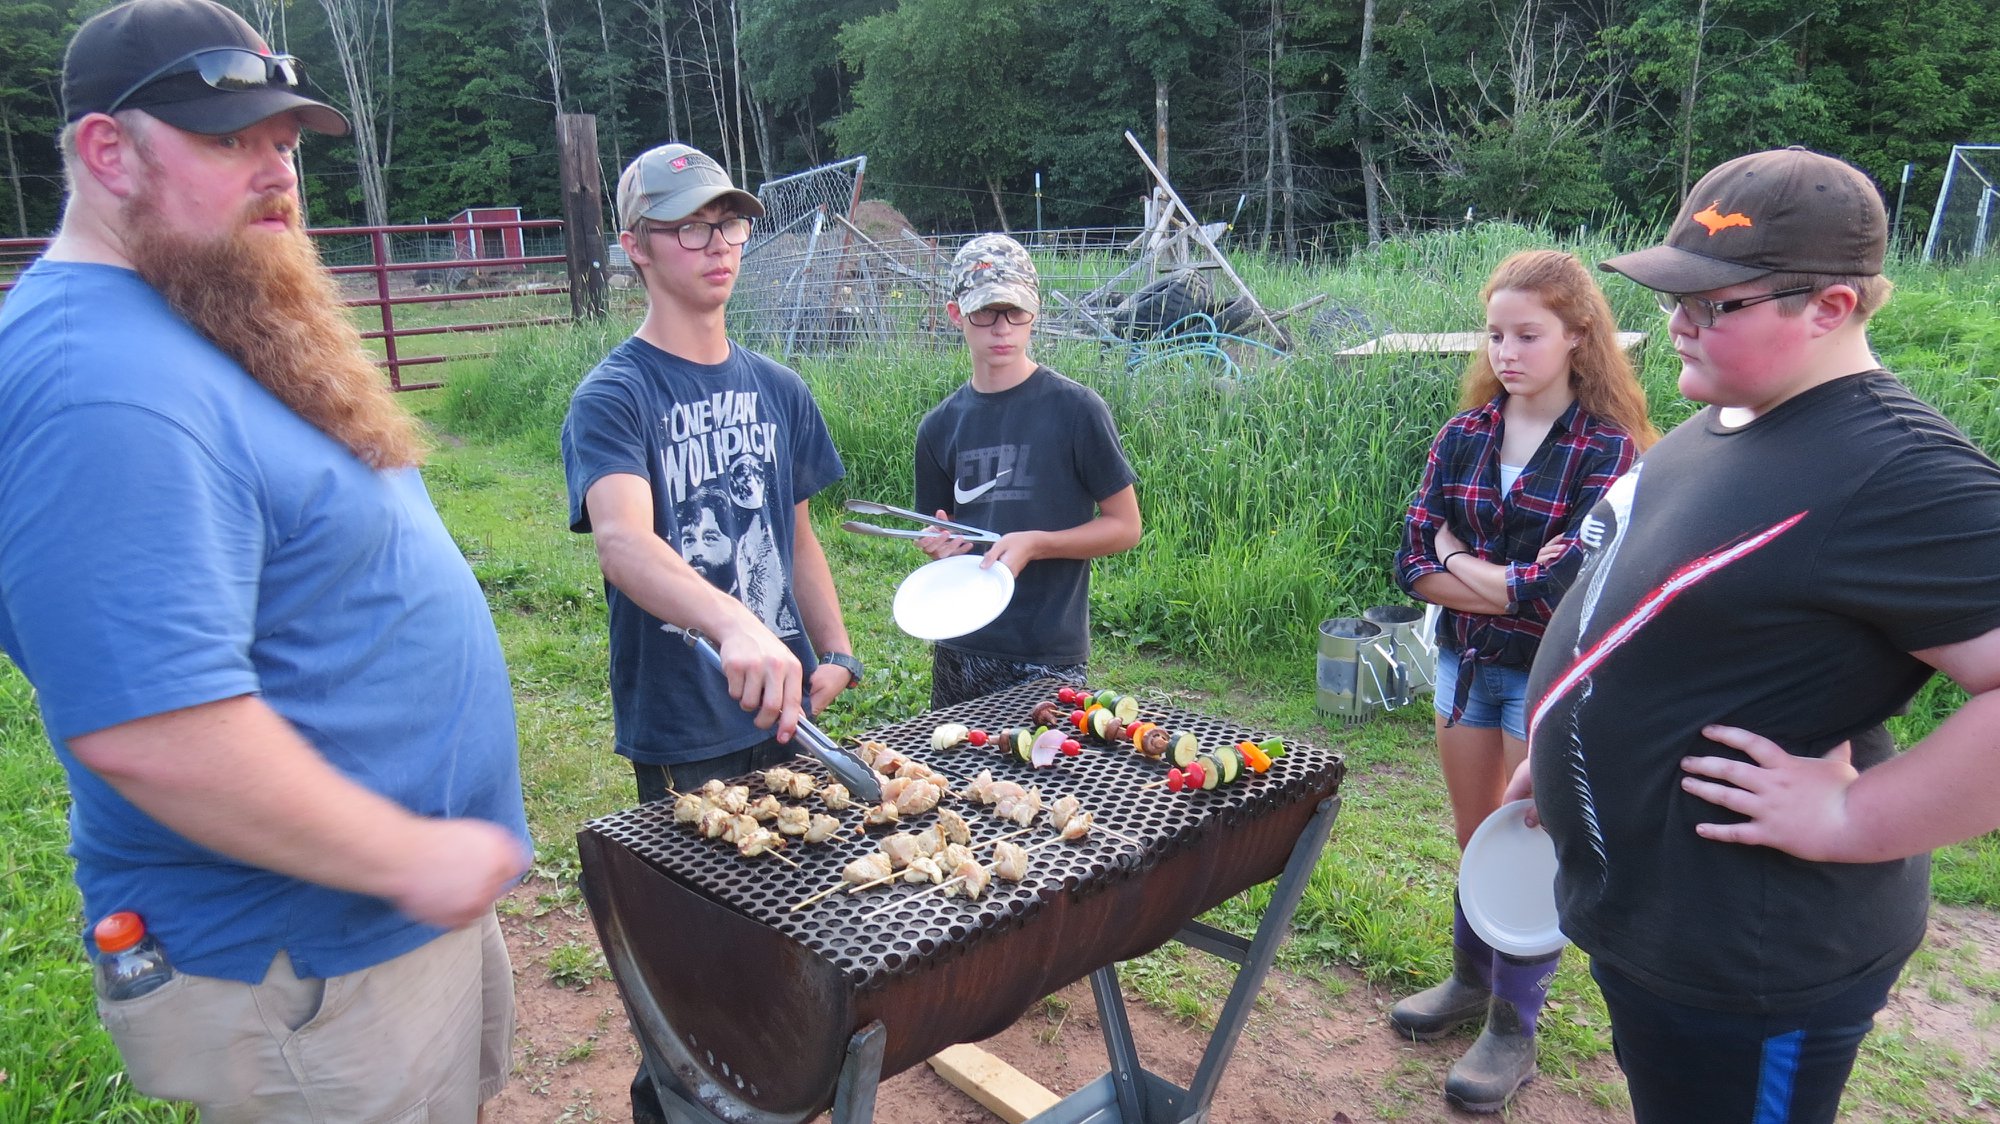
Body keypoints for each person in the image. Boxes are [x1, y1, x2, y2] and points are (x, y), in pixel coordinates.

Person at [0, 0, 534, 1119]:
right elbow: (155, 729)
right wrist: (406, 854)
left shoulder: (203, 307)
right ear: (108, 151)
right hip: (301, 966)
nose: (276, 170)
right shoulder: (93, 382)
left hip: (376, 933)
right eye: (226, 138)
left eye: (283, 140)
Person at [1512, 146, 2000, 1123]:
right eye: (1671, 294)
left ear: (1828, 307)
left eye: (1713, 302)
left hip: (1752, 959)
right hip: (1653, 925)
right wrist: (1564, 743)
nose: (1675, 323)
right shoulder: (1729, 413)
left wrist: (1851, 817)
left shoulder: (1898, 473)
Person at [559, 141, 859, 1124]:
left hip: (788, 709)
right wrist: (733, 621)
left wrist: (834, 649)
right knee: (702, 974)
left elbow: (797, 535)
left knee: (797, 947)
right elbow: (623, 543)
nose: (717, 243)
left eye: (727, 222)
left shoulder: (778, 388)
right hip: (688, 721)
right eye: (689, 225)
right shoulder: (618, 395)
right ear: (634, 246)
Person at [1389, 249, 1656, 1112]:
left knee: (1528, 840)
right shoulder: (1462, 436)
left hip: (1547, 680)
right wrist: (1500, 576)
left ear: (1578, 337)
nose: (1507, 351)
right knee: (1477, 837)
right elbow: (1409, 563)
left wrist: (1460, 559)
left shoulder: (1605, 450)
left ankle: (1514, 1026)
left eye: (1528, 334)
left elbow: (1566, 589)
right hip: (1463, 668)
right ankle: (1470, 981)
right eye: (1496, 333)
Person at [913, 233, 1142, 708]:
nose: (1002, 328)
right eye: (985, 312)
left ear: (1034, 313)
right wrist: (940, 548)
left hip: (1048, 650)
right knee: (954, 776)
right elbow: (938, 533)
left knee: (1047, 779)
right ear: (956, 314)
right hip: (962, 642)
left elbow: (1125, 528)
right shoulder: (940, 426)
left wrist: (1039, 545)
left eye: (1015, 311)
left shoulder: (1076, 410)